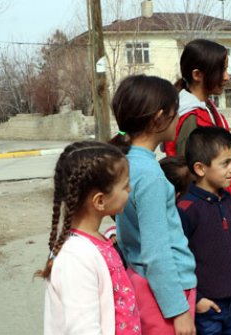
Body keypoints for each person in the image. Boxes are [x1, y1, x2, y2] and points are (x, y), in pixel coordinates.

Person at [109, 74, 197, 335]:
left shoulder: (127, 163)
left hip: (142, 280)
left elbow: (126, 233)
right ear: (159, 118)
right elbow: (157, 253)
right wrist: (178, 311)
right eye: (175, 112)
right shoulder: (150, 174)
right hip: (166, 293)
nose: (179, 118)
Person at [38, 141, 140, 335]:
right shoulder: (75, 258)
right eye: (125, 185)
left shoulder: (93, 242)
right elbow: (83, 328)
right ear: (100, 201)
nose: (130, 189)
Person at [164, 38, 231, 237]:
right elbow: (190, 178)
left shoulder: (207, 109)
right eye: (222, 70)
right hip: (209, 220)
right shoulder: (191, 117)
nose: (227, 77)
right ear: (197, 75)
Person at [177, 127, 231, 335]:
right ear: (201, 168)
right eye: (225, 163)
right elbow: (178, 262)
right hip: (207, 310)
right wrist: (197, 298)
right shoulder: (186, 209)